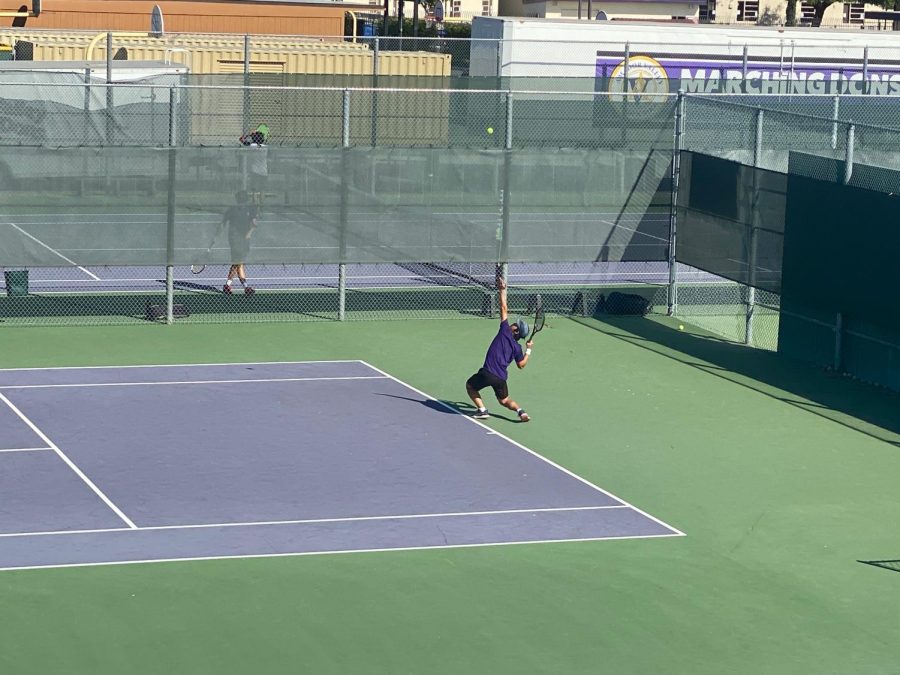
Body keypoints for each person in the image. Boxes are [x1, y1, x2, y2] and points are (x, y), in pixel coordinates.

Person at [466, 276, 533, 422]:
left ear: (515, 331)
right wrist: (528, 350)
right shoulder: (517, 347)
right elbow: (521, 365)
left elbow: (503, 308)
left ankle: (482, 410)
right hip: (501, 378)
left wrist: (502, 290)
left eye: (515, 325)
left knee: (470, 386)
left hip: (488, 372)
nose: (513, 324)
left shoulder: (505, 331)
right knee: (504, 400)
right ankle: (521, 412)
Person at [221, 190, 257, 295]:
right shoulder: (249, 209)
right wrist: (249, 234)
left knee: (237, 262)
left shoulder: (232, 209)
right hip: (237, 240)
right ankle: (245, 287)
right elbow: (254, 224)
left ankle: (228, 285)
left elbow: (222, 223)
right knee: (239, 262)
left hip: (237, 239)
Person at [239, 123, 269, 205]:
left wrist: (250, 134)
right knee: (262, 189)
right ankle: (262, 205)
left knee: (255, 190)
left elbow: (241, 140)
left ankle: (255, 206)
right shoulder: (265, 147)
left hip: (255, 171)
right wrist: (255, 135)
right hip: (264, 171)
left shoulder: (252, 146)